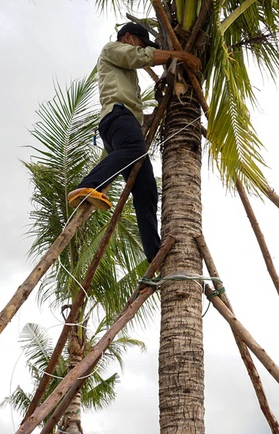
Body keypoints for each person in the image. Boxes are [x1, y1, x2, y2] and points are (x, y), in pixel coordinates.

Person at [67, 22, 202, 262]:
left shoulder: (124, 74)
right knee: (134, 149)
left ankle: (154, 253)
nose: (142, 49)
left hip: (124, 124)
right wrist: (178, 55)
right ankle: (88, 185)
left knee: (146, 188)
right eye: (140, 43)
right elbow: (138, 57)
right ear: (128, 38)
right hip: (117, 116)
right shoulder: (113, 49)